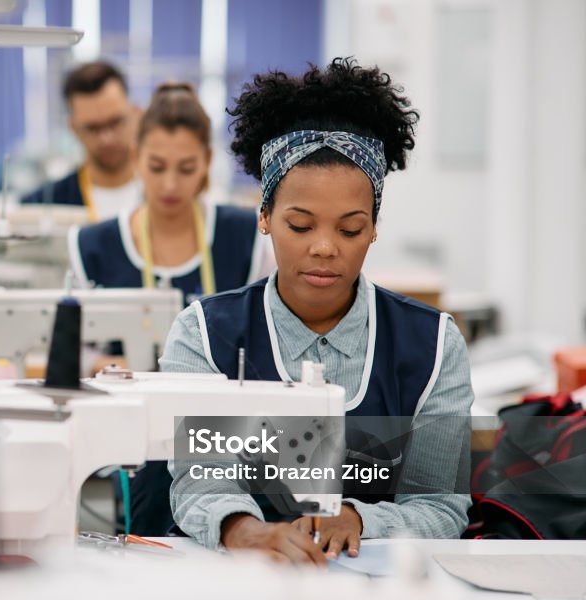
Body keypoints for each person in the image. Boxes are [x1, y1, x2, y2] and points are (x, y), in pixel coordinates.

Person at [163, 58, 474, 565]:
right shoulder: (203, 335)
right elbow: (201, 481)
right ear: (264, 217)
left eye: (350, 229)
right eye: (301, 226)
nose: (325, 247)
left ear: (374, 227)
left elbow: (440, 505)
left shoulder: (434, 347)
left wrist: (359, 518)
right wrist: (244, 531)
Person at [68, 82, 269, 536]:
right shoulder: (93, 247)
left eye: (186, 168)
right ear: (136, 157)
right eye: (156, 167)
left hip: (225, 440)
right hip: (133, 446)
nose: (171, 184)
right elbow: (70, 349)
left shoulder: (246, 238)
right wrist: (101, 365)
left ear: (207, 165)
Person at [22, 61, 140, 222]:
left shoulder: (167, 197)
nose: (107, 139)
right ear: (73, 128)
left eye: (115, 122)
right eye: (93, 128)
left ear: (135, 113)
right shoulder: (40, 207)